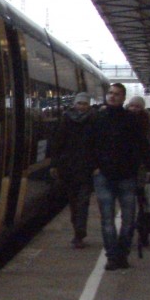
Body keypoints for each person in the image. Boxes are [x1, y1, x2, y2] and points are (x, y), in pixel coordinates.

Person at [89, 82, 150, 270]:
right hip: (104, 176)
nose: (112, 96)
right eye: (110, 93)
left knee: (129, 219)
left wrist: (149, 168)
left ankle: (123, 253)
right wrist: (94, 167)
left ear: (123, 98)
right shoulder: (98, 119)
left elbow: (142, 146)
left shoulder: (132, 120)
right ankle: (112, 256)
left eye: (116, 94)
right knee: (107, 219)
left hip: (127, 176)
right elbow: (88, 145)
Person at [51, 92, 96, 248]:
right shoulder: (66, 120)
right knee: (73, 203)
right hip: (68, 169)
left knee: (83, 202)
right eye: (79, 103)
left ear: (88, 105)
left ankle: (79, 234)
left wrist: (96, 165)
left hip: (86, 168)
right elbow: (58, 142)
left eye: (84, 104)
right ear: (75, 105)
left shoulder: (94, 120)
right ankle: (77, 230)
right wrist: (54, 164)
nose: (82, 106)